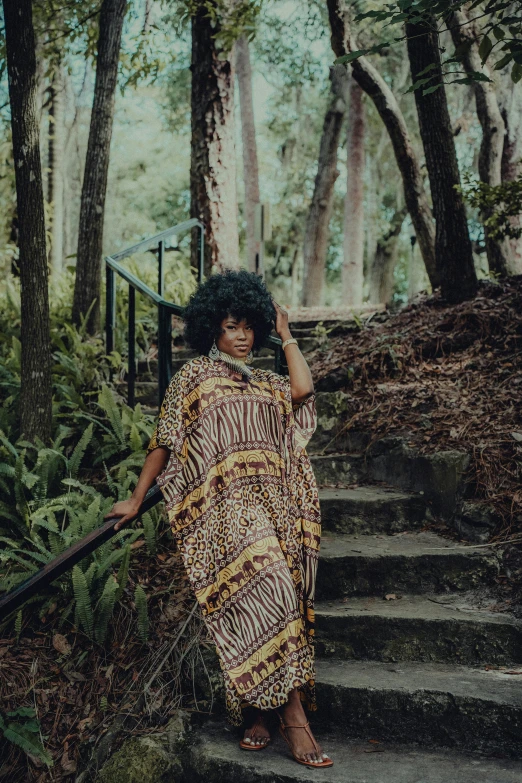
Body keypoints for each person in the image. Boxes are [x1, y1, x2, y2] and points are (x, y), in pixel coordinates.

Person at [105, 270, 332, 768]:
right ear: (212, 329)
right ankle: (295, 717)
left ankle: (259, 715)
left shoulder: (270, 382)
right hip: (225, 511)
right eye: (232, 326)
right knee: (263, 587)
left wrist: (287, 333)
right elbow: (165, 442)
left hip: (276, 505)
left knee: (270, 602)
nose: (244, 336)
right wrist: (136, 497)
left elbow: (303, 389)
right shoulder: (192, 379)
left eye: (250, 326)